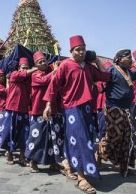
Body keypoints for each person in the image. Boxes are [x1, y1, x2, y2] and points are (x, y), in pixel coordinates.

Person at [43, 35, 110, 194]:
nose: (81, 52)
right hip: (72, 108)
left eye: (83, 49)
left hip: (88, 108)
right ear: (71, 51)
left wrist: (97, 61)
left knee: (86, 140)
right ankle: (81, 177)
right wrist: (48, 105)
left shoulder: (88, 67)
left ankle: (81, 171)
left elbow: (105, 76)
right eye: (77, 49)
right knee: (80, 140)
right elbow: (53, 86)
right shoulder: (66, 65)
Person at [99, 49, 136, 178]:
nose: (131, 59)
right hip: (113, 109)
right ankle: (100, 154)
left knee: (127, 139)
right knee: (114, 138)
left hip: (126, 109)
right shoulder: (112, 71)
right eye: (128, 57)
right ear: (119, 59)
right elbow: (101, 79)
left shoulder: (129, 73)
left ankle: (123, 166)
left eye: (131, 57)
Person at [24, 51, 62, 173]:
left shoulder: (50, 72)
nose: (43, 63)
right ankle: (32, 161)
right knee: (37, 137)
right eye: (40, 62)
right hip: (39, 110)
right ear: (36, 65)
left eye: (44, 60)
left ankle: (53, 162)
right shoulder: (35, 74)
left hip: (53, 108)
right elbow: (45, 80)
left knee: (53, 137)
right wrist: (55, 70)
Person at [0, 57, 37, 165]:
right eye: (23, 68)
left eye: (26, 68)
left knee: (24, 134)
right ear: (19, 68)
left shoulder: (29, 79)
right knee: (9, 133)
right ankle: (9, 154)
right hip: (12, 109)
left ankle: (22, 156)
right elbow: (23, 74)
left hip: (24, 110)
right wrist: (35, 69)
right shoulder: (14, 75)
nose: (25, 70)